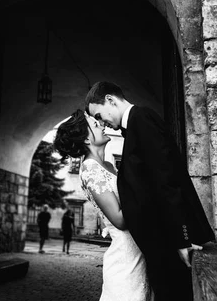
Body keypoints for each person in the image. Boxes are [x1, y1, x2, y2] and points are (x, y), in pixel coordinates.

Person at [85, 81, 215, 301]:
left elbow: (167, 182)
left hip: (170, 244)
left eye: (98, 115)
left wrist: (182, 239)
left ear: (110, 100)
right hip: (159, 246)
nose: (102, 123)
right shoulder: (136, 124)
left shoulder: (142, 119)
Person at [54, 110, 151, 300]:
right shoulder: (90, 170)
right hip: (125, 260)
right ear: (86, 140)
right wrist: (147, 188)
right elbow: (120, 220)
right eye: (95, 124)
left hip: (139, 252)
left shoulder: (108, 165)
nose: (102, 124)